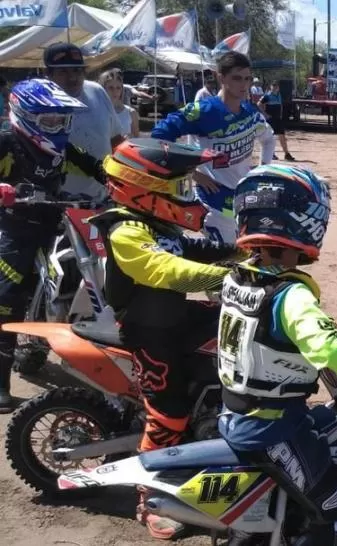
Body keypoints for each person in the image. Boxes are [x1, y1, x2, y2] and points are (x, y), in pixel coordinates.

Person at [217, 164, 337, 546]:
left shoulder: (237, 277)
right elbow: (330, 349)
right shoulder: (291, 296)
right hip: (274, 428)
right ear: (300, 223)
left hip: (237, 413)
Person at [89, 138, 242, 540]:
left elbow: (196, 248)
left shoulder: (157, 223)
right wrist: (234, 278)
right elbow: (168, 269)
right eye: (177, 187)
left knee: (239, 335)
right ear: (143, 189)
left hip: (175, 318)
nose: (185, 194)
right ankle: (151, 498)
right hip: (148, 331)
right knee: (168, 410)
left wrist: (248, 251)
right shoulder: (126, 231)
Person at [0, 79, 105, 413]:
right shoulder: (6, 141)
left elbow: (96, 166)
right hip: (14, 228)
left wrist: (127, 177)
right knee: (8, 297)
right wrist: (5, 190)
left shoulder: (62, 146)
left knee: (74, 276)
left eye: (62, 119)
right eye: (49, 120)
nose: (58, 126)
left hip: (56, 222)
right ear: (24, 114)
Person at [151, 51, 275, 243]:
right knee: (228, 257)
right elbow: (160, 136)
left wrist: (262, 170)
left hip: (243, 196)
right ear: (221, 77)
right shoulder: (203, 110)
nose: (243, 84)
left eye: (247, 79)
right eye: (236, 78)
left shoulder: (251, 113)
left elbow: (269, 139)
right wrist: (191, 172)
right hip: (212, 200)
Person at [44, 42, 124, 201]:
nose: (72, 78)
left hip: (104, 196)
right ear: (48, 74)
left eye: (77, 70)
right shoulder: (40, 103)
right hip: (58, 200)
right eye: (63, 72)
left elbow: (116, 139)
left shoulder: (97, 91)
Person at [258, 81, 296, 161]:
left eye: (276, 86)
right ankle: (272, 154)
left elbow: (280, 105)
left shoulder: (279, 95)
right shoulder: (267, 96)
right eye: (273, 86)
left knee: (282, 136)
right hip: (271, 120)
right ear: (270, 87)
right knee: (271, 137)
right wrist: (265, 114)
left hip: (278, 119)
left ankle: (286, 154)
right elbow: (259, 104)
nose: (275, 87)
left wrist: (281, 114)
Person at [99, 68, 139, 137]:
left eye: (118, 88)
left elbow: (137, 139)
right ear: (102, 88)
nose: (115, 92)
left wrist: (130, 137)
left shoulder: (131, 112)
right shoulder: (96, 111)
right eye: (111, 88)